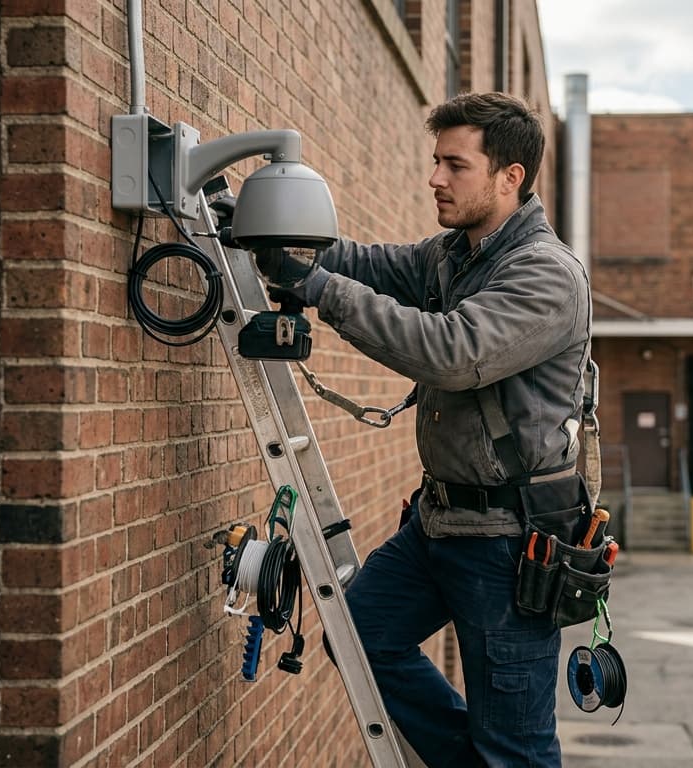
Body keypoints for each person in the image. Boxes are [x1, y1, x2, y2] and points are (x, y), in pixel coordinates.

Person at [256, 92, 591, 766]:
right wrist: (275, 234)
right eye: (436, 162)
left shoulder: (545, 275)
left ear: (510, 177)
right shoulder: (455, 254)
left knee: (516, 747)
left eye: (453, 165)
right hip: (439, 525)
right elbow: (373, 264)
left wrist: (316, 289)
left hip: (510, 544)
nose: (435, 178)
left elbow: (452, 352)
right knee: (360, 636)